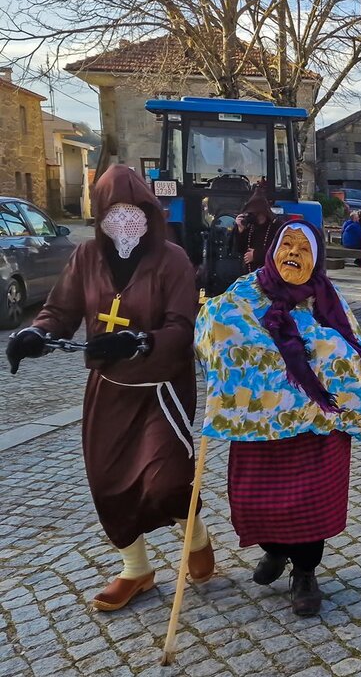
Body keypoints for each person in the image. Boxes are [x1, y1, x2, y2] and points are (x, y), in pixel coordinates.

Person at [5, 165, 213, 611]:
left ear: (148, 211)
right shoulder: (85, 258)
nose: (123, 218)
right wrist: (35, 334)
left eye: (132, 209)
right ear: (99, 213)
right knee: (108, 482)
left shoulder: (172, 259)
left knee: (166, 480)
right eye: (112, 210)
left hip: (160, 388)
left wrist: (141, 341)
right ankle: (136, 570)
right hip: (109, 388)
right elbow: (59, 310)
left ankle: (194, 534)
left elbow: (182, 328)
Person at [195, 220, 361, 617]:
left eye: (304, 248)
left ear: (317, 258)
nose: (294, 253)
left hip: (314, 429)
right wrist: (213, 321)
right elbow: (222, 332)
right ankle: (274, 552)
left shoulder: (328, 300)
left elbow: (353, 353)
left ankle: (305, 572)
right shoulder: (245, 293)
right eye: (287, 245)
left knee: (309, 504)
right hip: (261, 428)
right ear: (272, 250)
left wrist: (310, 348)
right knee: (257, 502)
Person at [233, 190, 283, 274]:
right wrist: (240, 230)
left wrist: (256, 255)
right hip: (249, 274)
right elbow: (239, 249)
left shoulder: (276, 226)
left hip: (270, 274)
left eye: (255, 213)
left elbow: (280, 251)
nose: (252, 215)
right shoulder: (249, 226)